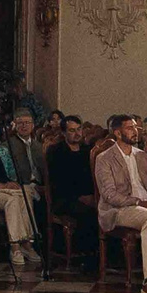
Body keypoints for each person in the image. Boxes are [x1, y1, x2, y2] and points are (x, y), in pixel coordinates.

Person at [95, 115, 147, 293]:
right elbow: (109, 195)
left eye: (137, 128)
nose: (136, 132)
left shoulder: (142, 156)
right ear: (118, 133)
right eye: (130, 128)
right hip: (119, 209)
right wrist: (138, 202)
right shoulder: (104, 158)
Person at [0, 108, 46, 267]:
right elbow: (8, 173)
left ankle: (25, 244)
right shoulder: (7, 145)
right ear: (14, 125)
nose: (24, 126)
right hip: (22, 184)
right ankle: (26, 243)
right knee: (24, 193)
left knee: (26, 193)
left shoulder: (38, 145)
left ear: (33, 125)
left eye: (27, 123)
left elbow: (43, 169)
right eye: (20, 123)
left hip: (38, 185)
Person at [45, 116, 98, 270]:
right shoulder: (56, 151)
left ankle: (100, 255)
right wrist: (81, 197)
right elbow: (59, 181)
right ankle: (84, 256)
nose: (77, 134)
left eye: (79, 129)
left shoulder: (87, 151)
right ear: (64, 132)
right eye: (72, 130)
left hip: (87, 195)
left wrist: (92, 196)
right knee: (87, 212)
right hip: (65, 197)